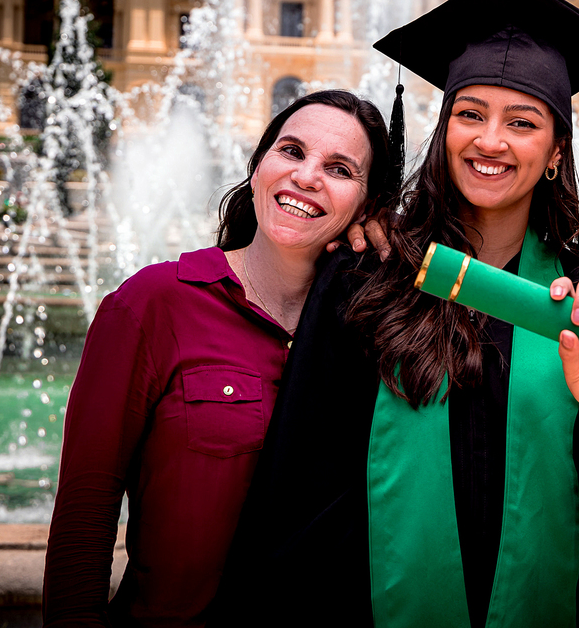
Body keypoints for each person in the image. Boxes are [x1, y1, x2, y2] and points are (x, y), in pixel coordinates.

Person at [218, 0, 579, 628]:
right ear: (445, 130)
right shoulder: (367, 274)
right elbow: (305, 482)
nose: (490, 141)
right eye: (470, 114)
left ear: (555, 150)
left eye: (521, 122)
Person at [43, 90, 393, 627]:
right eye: (291, 151)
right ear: (257, 166)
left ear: (367, 206)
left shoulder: (376, 330)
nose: (305, 177)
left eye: (340, 169)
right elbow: (85, 515)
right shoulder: (154, 304)